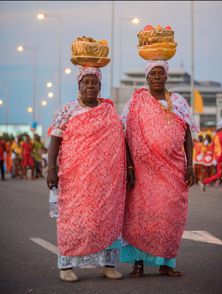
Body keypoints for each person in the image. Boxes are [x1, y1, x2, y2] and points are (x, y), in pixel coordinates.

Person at [47, 66, 126, 282]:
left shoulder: (109, 111)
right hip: (76, 179)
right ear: (79, 86)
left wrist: (127, 170)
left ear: (100, 87)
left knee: (108, 219)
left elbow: (119, 141)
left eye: (95, 83)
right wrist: (51, 168)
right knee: (74, 220)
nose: (90, 86)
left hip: (108, 180)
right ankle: (66, 267)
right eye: (86, 83)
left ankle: (108, 265)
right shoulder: (68, 110)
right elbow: (54, 140)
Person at [120, 60, 197, 278]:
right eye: (153, 73)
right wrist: (130, 165)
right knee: (141, 215)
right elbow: (125, 135)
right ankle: (138, 263)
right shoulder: (136, 102)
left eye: (160, 73)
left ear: (166, 77)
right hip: (143, 171)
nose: (157, 77)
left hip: (173, 169)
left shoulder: (179, 103)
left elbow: (188, 135)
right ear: (147, 77)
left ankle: (166, 263)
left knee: (170, 214)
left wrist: (190, 165)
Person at [201, 119, 222, 195]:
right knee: (219, 174)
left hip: (220, 158)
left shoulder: (216, 135)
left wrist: (214, 157)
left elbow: (213, 147)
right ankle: (204, 181)